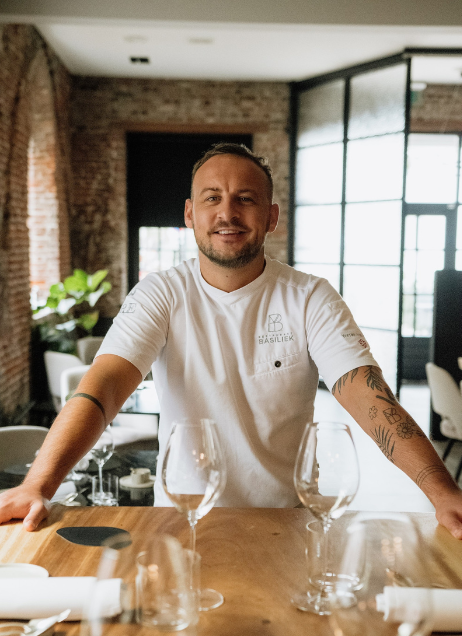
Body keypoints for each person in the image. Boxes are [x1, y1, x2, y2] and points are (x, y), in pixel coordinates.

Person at [1, 142, 462, 537]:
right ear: (189, 214)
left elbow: (368, 394)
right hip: (183, 519)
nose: (227, 212)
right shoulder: (161, 293)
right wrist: (37, 486)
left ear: (272, 216)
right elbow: (102, 387)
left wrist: (443, 493)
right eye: (212, 197)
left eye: (245, 198)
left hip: (288, 524)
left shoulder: (309, 297)